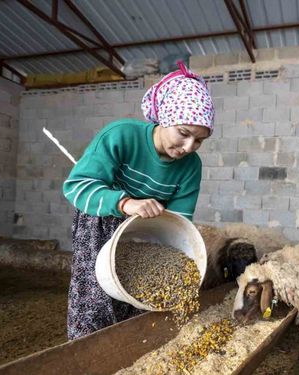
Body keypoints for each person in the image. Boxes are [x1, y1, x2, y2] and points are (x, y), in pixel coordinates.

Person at [62, 61, 215, 340]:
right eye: (183, 133)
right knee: (95, 300)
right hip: (100, 223)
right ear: (165, 118)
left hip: (147, 235)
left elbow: (179, 224)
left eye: (199, 141)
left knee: (142, 302)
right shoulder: (121, 135)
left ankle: (130, 353)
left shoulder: (191, 166)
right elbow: (76, 187)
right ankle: (86, 354)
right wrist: (125, 203)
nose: (188, 148)